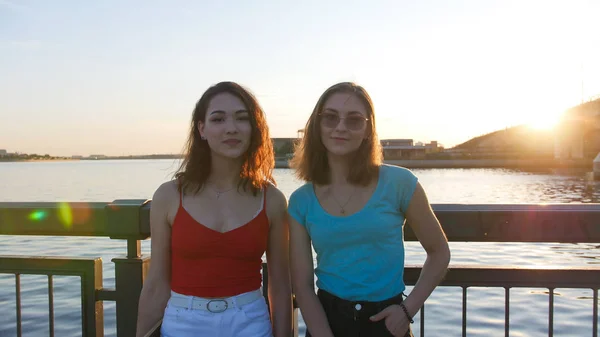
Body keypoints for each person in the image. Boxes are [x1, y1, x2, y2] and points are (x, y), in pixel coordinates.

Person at [288, 82, 450, 337]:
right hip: (327, 323)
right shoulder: (300, 201)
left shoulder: (401, 183)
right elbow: (303, 285)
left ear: (367, 129)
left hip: (388, 323)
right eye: (330, 117)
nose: (340, 126)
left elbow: (439, 252)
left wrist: (407, 311)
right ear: (317, 125)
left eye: (354, 120)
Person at [136, 81, 292, 337]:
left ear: (254, 129)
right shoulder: (169, 196)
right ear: (202, 129)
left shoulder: (272, 200)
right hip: (182, 322)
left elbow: (280, 286)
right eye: (218, 119)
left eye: (242, 119)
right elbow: (156, 284)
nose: (231, 128)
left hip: (250, 322)